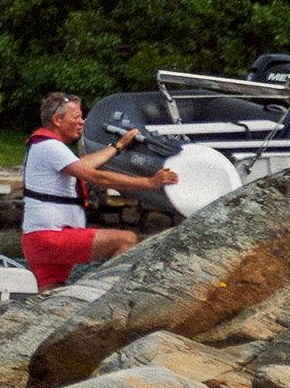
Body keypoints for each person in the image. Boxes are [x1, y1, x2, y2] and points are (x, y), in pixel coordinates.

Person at [19, 93, 175, 290]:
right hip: (51, 237)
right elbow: (97, 177)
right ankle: (102, 294)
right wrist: (150, 182)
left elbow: (84, 164)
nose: (81, 122)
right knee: (126, 240)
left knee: (51, 294)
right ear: (57, 120)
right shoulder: (50, 147)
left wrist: (118, 146)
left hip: (37, 239)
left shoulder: (43, 145)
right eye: (76, 117)